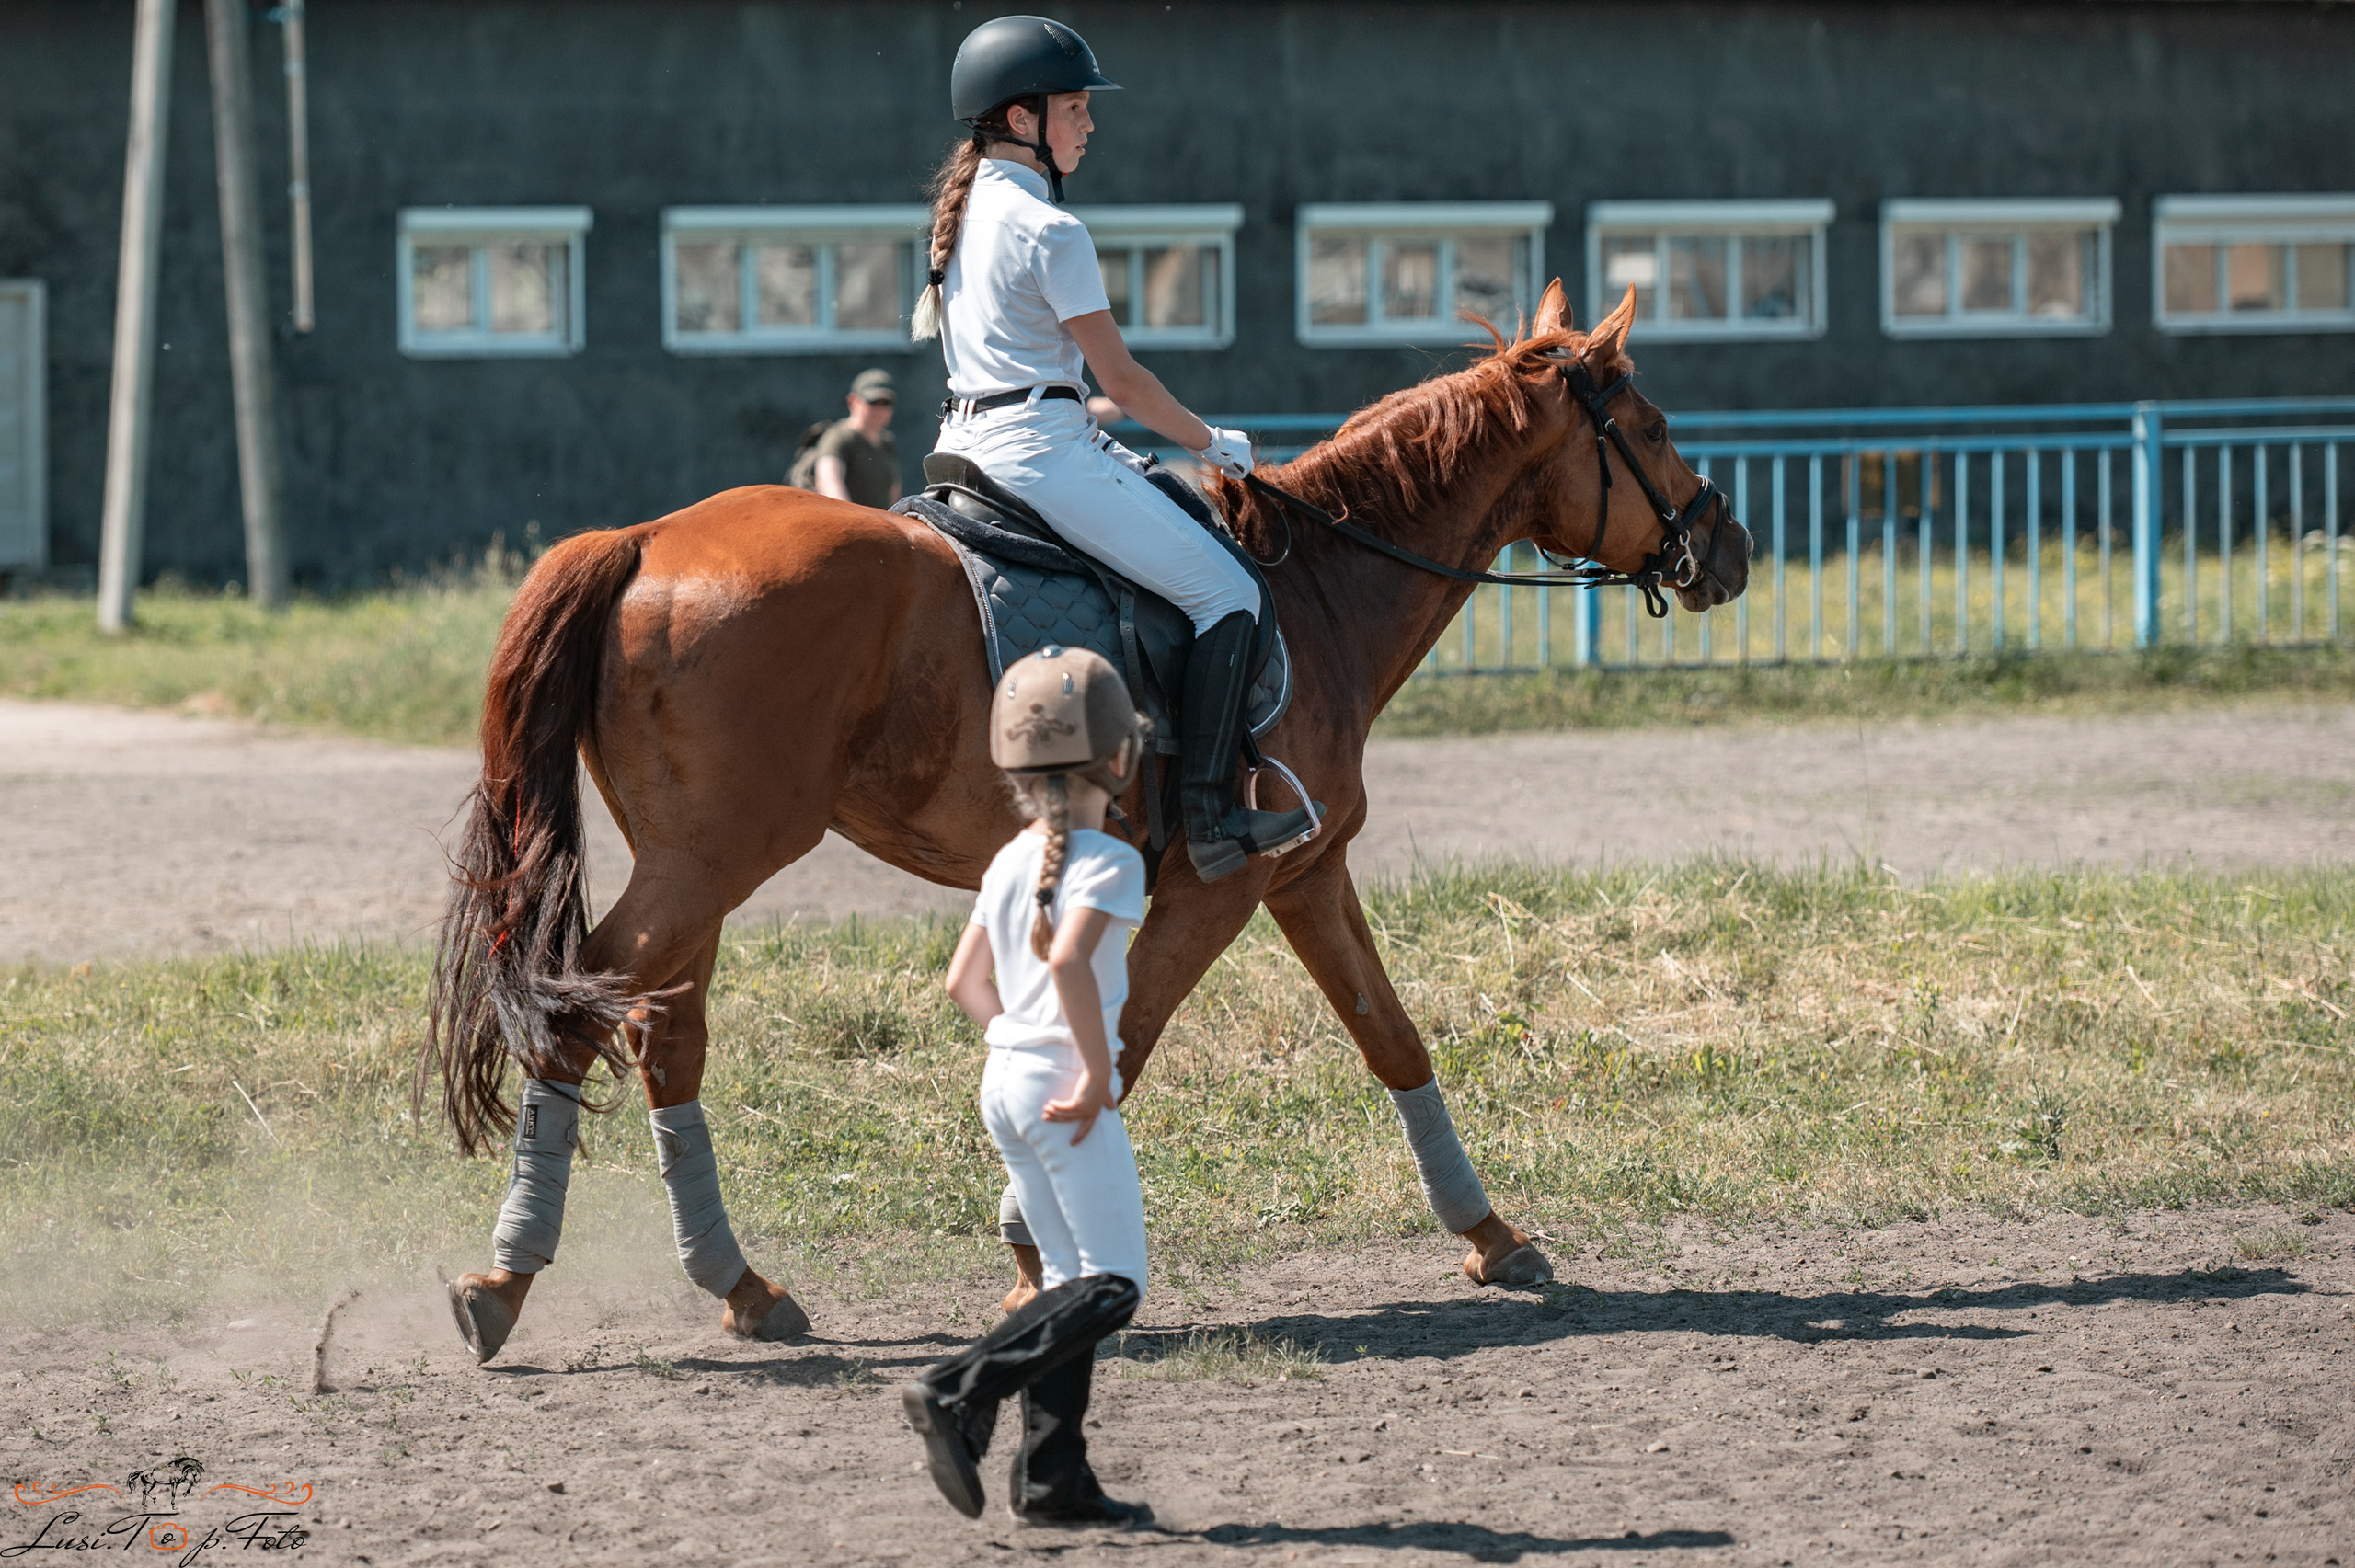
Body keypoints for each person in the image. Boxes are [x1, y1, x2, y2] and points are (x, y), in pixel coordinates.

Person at [912, 14, 1315, 885]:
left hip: (965, 444)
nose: (1089, 123)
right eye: (1073, 107)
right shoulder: (1053, 229)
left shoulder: (971, 208)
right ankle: (1211, 815)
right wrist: (1217, 441)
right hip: (1038, 456)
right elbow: (1124, 382)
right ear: (1022, 120)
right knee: (1229, 591)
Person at [902, 645, 1153, 1528]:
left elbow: (965, 983)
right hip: (1061, 1090)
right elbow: (1072, 958)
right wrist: (1088, 1070)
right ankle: (957, 1390)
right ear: (1120, 757)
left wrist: (1016, 1042)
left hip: (1005, 1080)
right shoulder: (1113, 860)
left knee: (1066, 1283)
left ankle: (1052, 1481)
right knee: (1116, 1284)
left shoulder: (1010, 857)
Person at [789, 368, 902, 508]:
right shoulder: (838, 437)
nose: (879, 409)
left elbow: (894, 491)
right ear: (853, 401)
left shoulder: (887, 442)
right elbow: (829, 485)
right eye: (872, 402)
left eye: (886, 403)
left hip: (880, 527)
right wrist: (857, 525)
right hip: (849, 525)